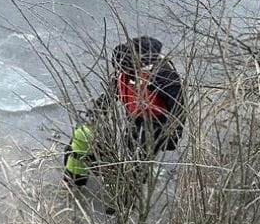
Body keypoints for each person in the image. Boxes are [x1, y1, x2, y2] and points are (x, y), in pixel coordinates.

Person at [63, 35, 185, 186]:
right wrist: (96, 112)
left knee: (137, 161)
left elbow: (178, 106)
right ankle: (83, 178)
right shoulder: (125, 70)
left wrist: (174, 133)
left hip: (156, 123)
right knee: (128, 149)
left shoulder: (163, 75)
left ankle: (130, 196)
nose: (122, 70)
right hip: (135, 118)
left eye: (126, 67)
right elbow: (111, 92)